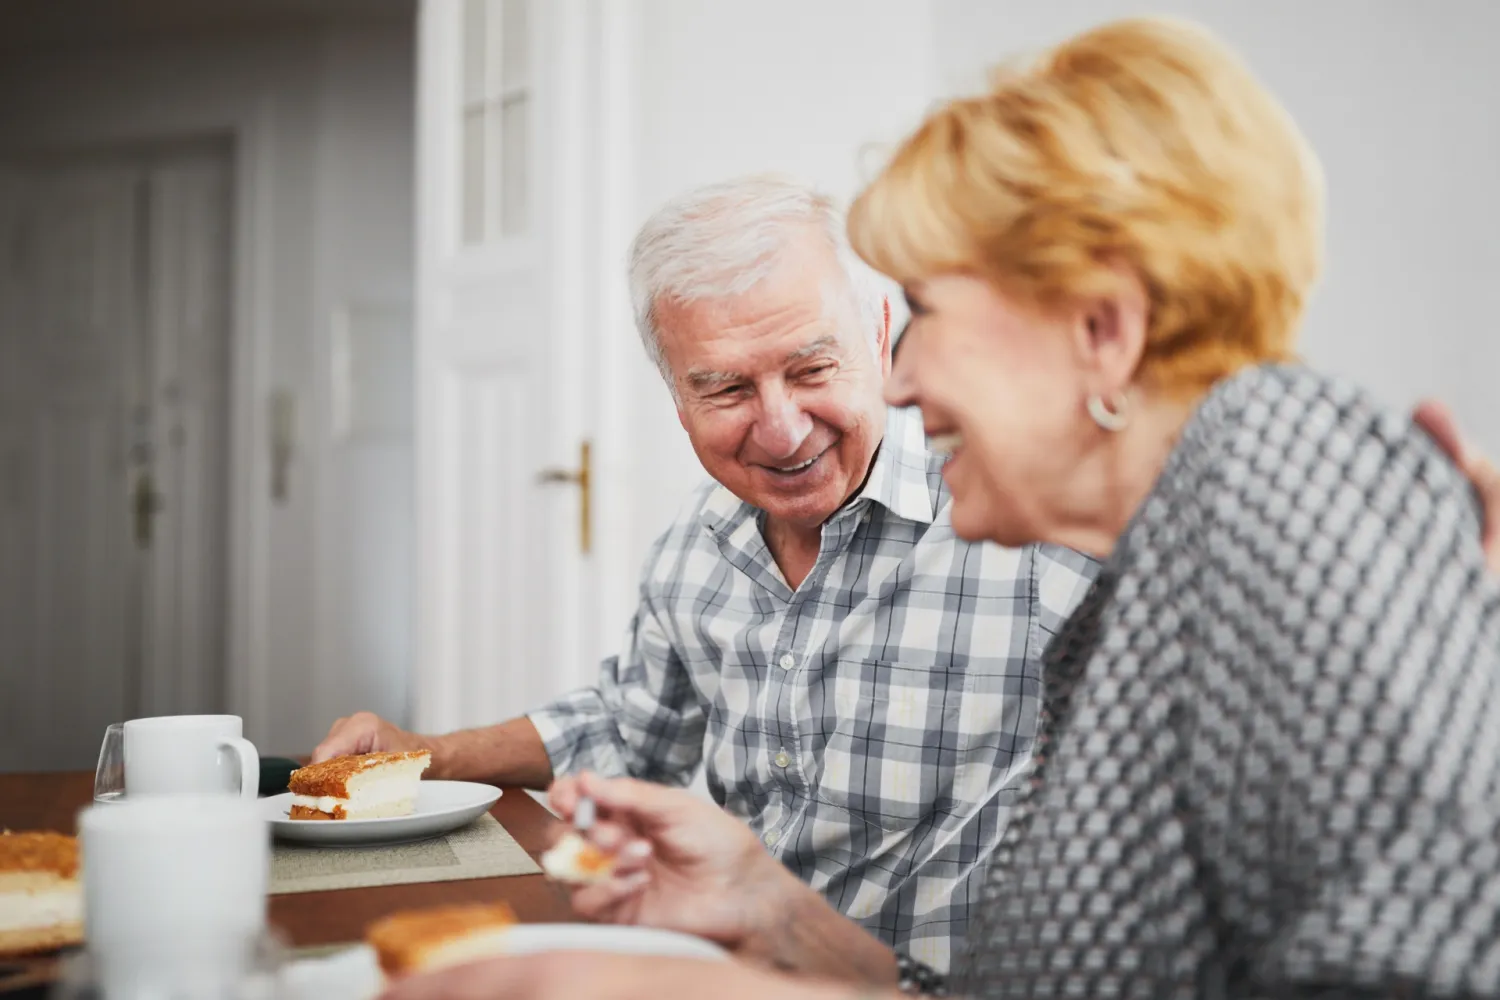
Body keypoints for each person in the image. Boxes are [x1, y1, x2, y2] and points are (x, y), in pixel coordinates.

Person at [379, 15, 1500, 1000]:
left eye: (923, 309)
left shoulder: (1280, 457)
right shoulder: (1137, 598)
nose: (903, 380)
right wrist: (766, 907)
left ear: (1101, 330)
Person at [318, 175, 1100, 969]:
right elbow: (629, 727)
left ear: (880, 336)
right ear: (677, 396)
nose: (782, 430)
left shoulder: (1022, 516)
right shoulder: (700, 541)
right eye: (725, 386)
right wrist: (419, 756)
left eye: (812, 369)